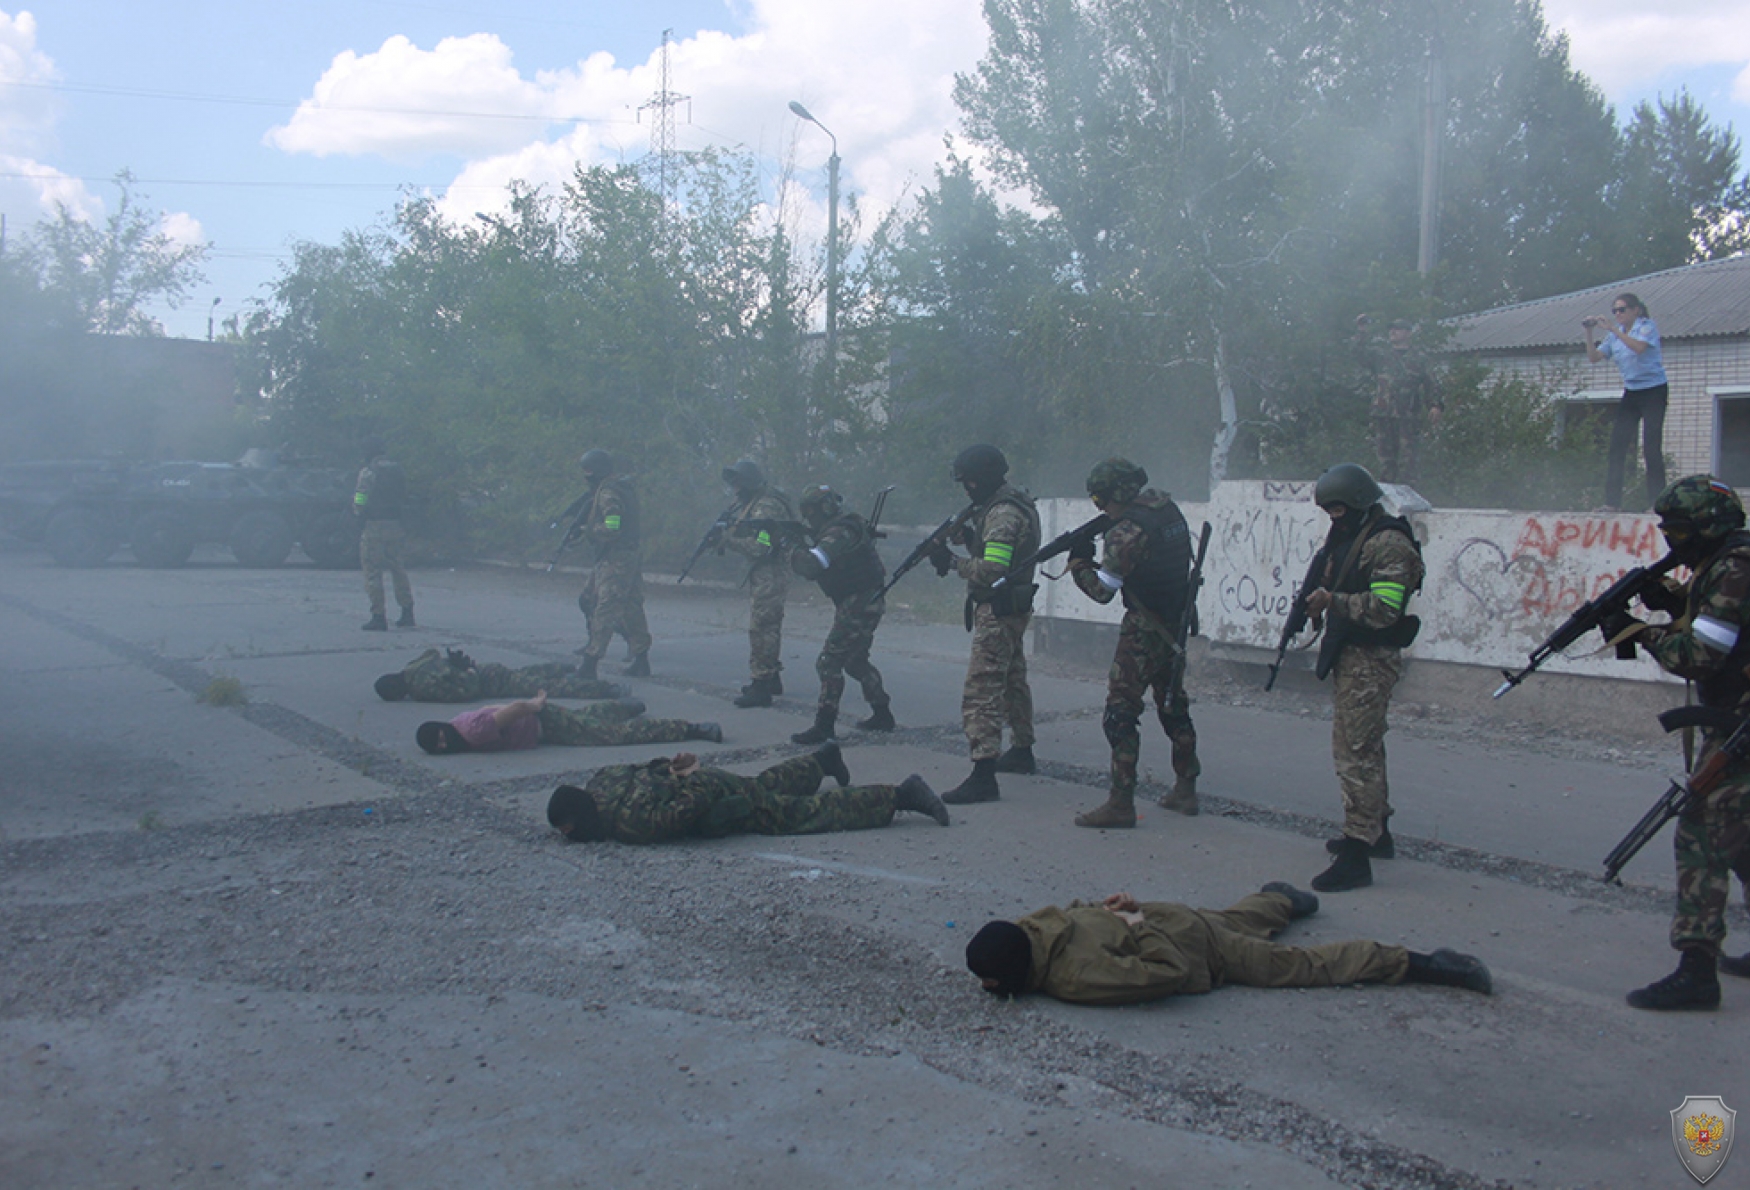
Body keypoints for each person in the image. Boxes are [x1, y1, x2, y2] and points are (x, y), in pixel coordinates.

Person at [1603, 476, 1750, 1010]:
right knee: (1741, 835)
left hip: (1740, 724)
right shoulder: (1726, 561)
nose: (1674, 543)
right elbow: (1712, 621)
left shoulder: (1735, 566)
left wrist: (1638, 633)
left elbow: (1702, 653)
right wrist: (1667, 601)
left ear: (1710, 527)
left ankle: (1696, 972)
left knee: (1702, 833)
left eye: (1682, 531)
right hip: (1734, 717)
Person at [964, 885, 1492, 1004]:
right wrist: (1128, 911)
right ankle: (1279, 899)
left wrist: (1138, 922)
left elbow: (1167, 972)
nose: (987, 986)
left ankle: (1423, 964)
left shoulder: (1074, 979)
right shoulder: (1034, 925)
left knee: (1301, 966)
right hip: (1174, 915)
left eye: (989, 978)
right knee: (1237, 919)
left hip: (1185, 944)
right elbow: (1084, 907)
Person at [1302, 462, 1424, 893]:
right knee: (1365, 747)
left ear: (1355, 503)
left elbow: (1386, 608)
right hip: (1354, 656)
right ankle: (1377, 834)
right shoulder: (1354, 535)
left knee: (1354, 753)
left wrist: (1333, 602)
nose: (1333, 519)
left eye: (1337, 510)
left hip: (1371, 660)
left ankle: (1356, 853)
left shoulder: (1388, 543)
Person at [1065, 458, 1201, 828]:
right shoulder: (1166, 509)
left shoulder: (1127, 531)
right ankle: (1186, 787)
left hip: (1144, 630)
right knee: (1172, 702)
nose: (1101, 508)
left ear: (1118, 494)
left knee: (1120, 712)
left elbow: (1102, 591)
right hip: (1175, 622)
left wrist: (1079, 563)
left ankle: (1121, 802)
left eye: (1101, 499)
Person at [545, 741, 949, 845]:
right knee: (760, 786)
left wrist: (699, 780)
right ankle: (821, 761)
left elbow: (690, 807)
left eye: (570, 831)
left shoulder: (630, 825)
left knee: (796, 813)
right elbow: (650, 768)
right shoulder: (602, 782)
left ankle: (900, 795)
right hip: (702, 778)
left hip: (713, 795)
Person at [932, 444, 1042, 805]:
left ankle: (983, 773)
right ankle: (1022, 750)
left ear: (986, 478)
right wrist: (970, 539)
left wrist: (951, 561)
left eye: (971, 481)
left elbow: (994, 569)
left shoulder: (1003, 513)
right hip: (1012, 605)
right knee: (1012, 678)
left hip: (998, 607)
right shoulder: (1008, 503)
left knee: (982, 687)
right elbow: (998, 550)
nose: (967, 489)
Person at [787, 484, 895, 744]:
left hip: (859, 603)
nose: (809, 517)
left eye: (811, 512)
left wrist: (791, 549)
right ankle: (882, 714)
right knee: (855, 661)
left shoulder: (839, 532)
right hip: (865, 601)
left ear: (823, 508)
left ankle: (824, 725)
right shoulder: (842, 527)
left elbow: (812, 565)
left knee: (829, 662)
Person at [414, 690, 720, 754]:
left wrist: (534, 705)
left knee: (612, 736)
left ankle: (692, 729)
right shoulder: (458, 725)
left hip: (544, 722)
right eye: (440, 746)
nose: (445, 744)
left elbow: (516, 708)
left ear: (443, 729)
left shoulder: (472, 732)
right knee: (588, 719)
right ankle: (623, 706)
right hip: (544, 721)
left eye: (441, 738)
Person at [570, 449, 652, 680]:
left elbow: (613, 526)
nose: (586, 477)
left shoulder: (608, 492)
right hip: (626, 554)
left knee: (605, 607)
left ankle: (590, 662)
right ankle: (641, 658)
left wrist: (589, 531)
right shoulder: (620, 486)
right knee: (631, 606)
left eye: (588, 472)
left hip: (616, 557)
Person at [719, 460, 795, 708]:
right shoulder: (754, 502)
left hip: (770, 573)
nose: (735, 488)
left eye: (738, 482)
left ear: (749, 482)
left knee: (762, 627)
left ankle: (761, 685)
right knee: (767, 626)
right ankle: (770, 677)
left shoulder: (766, 507)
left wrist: (728, 540)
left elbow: (760, 547)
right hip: (766, 573)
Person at [1583, 292, 1668, 511]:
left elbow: (1639, 348)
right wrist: (1589, 332)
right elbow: (1594, 358)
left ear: (1635, 310)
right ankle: (1611, 503)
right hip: (1632, 392)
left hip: (1653, 391)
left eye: (1622, 310)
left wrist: (1611, 329)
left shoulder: (1646, 326)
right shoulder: (1615, 335)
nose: (1618, 314)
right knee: (1617, 447)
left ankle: (1657, 503)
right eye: (1615, 311)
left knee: (1651, 447)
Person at [374, 648, 629, 703]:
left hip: (488, 681)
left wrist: (468, 672)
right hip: (488, 669)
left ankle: (606, 690)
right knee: (527, 675)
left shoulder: (421, 688)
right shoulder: (413, 666)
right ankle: (561, 667)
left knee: (544, 687)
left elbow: (466, 692)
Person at [355, 434, 414, 631]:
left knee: (373, 570)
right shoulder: (397, 469)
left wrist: (357, 511)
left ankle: (378, 615)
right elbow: (405, 495)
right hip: (396, 524)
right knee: (398, 568)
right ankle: (407, 612)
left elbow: (361, 498)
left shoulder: (368, 472)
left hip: (374, 525)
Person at [1370, 319, 1438, 486]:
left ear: (1408, 333)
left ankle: (1410, 501)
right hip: (1383, 414)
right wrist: (1362, 331)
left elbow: (1432, 383)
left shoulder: (1420, 357)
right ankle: (1386, 501)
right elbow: (1357, 353)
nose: (1393, 332)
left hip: (1407, 415)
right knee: (1385, 462)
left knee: (1409, 462)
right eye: (1391, 329)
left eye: (1398, 329)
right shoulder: (1381, 355)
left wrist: (1435, 405)